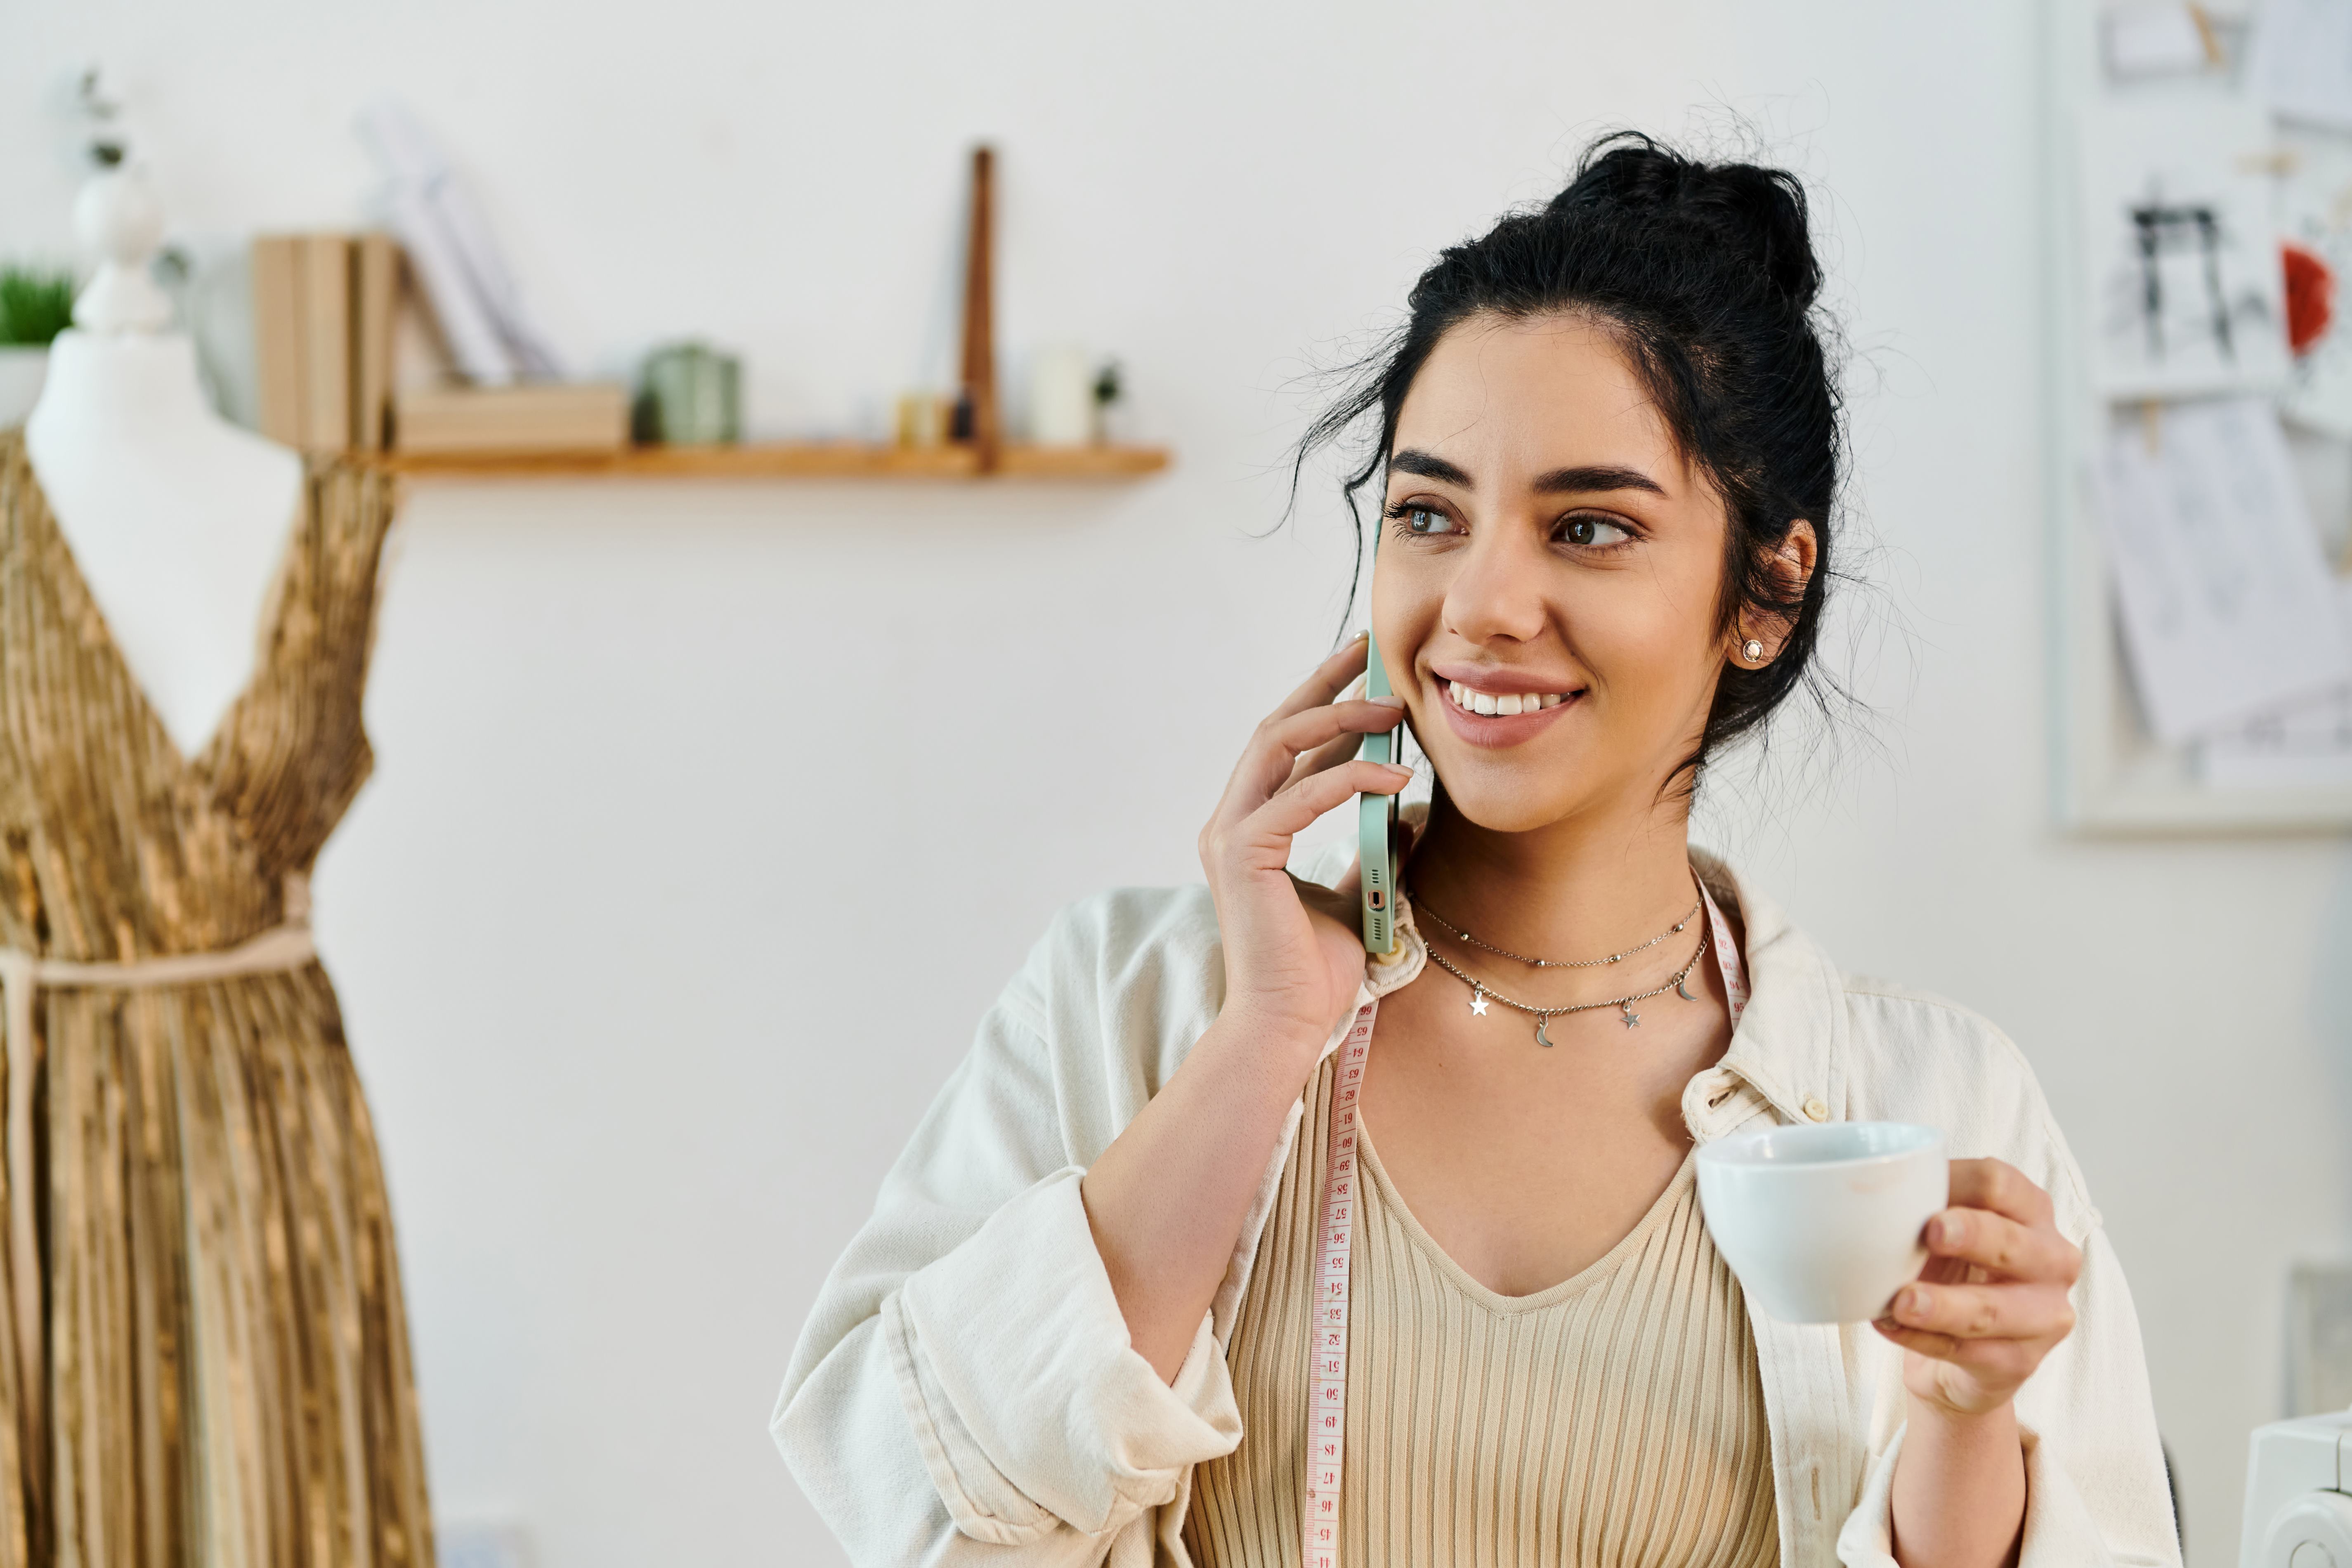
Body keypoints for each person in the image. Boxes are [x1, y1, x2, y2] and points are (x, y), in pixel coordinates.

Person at [770, 134, 2176, 1568]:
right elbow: (912, 1501)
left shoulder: (1932, 1109)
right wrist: (1262, 1040)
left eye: (1587, 527)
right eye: (1429, 514)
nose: (1483, 602)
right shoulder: (1121, 1010)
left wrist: (1961, 1415)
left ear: (1765, 586)